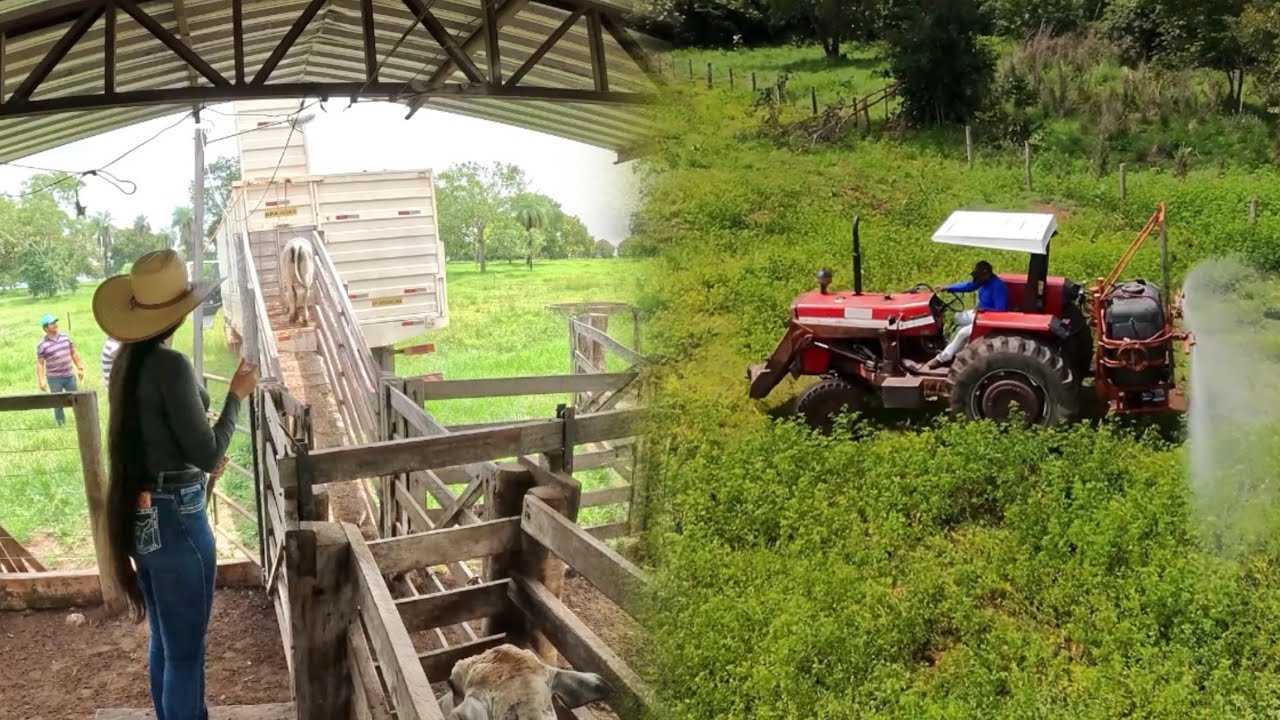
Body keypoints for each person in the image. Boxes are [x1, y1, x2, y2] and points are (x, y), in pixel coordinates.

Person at [94, 249, 258, 720]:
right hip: (178, 518)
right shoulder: (171, 366)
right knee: (187, 655)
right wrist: (235, 398)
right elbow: (207, 453)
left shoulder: (128, 363)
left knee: (165, 642)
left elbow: (162, 438)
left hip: (143, 514)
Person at [925, 260, 1009, 370]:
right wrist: (948, 288)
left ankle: (943, 358)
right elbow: (968, 286)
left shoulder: (998, 287)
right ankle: (953, 347)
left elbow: (1001, 310)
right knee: (956, 318)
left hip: (990, 319)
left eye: (979, 276)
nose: (977, 280)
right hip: (979, 314)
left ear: (987, 274)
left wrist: (985, 309)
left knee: (962, 333)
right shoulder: (983, 282)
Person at [36, 313, 86, 426]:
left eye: (55, 322)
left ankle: (81, 422)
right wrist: (41, 380)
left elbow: (73, 353)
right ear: (45, 328)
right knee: (57, 402)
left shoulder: (65, 338)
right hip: (54, 378)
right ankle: (61, 424)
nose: (55, 324)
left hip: (69, 376)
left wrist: (80, 367)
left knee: (75, 399)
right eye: (52, 323)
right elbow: (40, 364)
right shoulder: (42, 345)